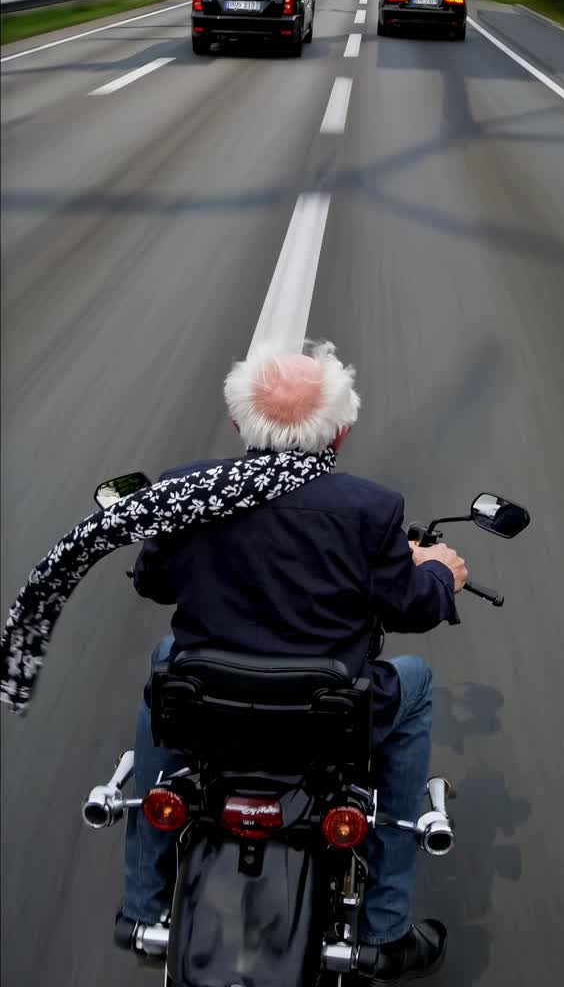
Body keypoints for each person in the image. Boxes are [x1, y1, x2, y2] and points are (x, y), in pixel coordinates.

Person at [119, 340, 468, 981]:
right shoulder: (372, 510)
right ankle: (386, 928)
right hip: (323, 716)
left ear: (238, 422)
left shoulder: (188, 491)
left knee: (166, 660)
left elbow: (152, 582)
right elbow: (413, 607)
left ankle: (140, 903)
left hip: (210, 707)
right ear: (341, 430)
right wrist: (441, 573)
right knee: (414, 682)